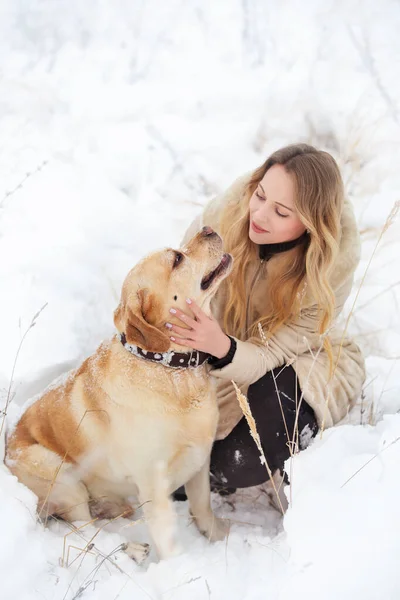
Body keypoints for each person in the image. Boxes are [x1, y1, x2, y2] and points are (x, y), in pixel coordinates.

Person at [167, 143, 365, 508]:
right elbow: (178, 287)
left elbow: (268, 355)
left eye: (281, 211)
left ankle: (297, 459)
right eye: (260, 195)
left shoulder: (328, 270)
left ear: (310, 223)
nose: (259, 214)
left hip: (302, 359)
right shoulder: (224, 217)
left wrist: (221, 347)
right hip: (219, 357)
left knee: (245, 456)